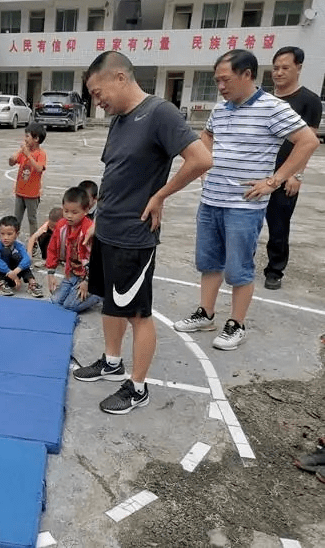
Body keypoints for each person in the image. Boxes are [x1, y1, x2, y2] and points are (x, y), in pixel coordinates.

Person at [73, 51, 212, 414]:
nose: (96, 101)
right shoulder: (120, 120)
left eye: (97, 91)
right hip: (108, 230)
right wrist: (98, 221)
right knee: (109, 302)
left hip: (135, 236)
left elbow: (201, 159)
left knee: (137, 313)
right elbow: (113, 175)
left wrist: (161, 195)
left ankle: (137, 387)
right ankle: (111, 360)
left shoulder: (160, 113)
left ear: (120, 77)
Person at [174, 49, 319, 350]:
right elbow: (207, 136)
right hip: (211, 199)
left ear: (247, 75)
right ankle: (206, 313)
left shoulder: (272, 107)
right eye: (217, 81)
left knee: (238, 267)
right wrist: (205, 167)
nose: (221, 86)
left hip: (244, 204)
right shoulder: (220, 109)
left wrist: (274, 181)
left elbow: (307, 141)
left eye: (226, 80)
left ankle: (236, 323)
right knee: (209, 261)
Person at [263, 46, 322, 290]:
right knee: (243, 220)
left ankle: (275, 270)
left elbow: (309, 143)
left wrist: (296, 174)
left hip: (286, 173)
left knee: (278, 224)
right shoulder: (265, 99)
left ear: (298, 68)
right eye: (275, 68)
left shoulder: (309, 101)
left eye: (285, 68)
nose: (279, 73)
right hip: (259, 170)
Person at [46, 187, 101, 313]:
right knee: (55, 301)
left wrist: (87, 281)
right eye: (66, 211)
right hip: (72, 274)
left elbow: (97, 258)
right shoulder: (61, 226)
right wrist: (50, 273)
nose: (69, 216)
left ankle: (99, 293)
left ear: (86, 210)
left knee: (70, 306)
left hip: (90, 276)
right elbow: (52, 248)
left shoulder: (89, 230)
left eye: (74, 212)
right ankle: (76, 288)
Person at [10, 122, 47, 239]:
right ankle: (13, 239)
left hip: (32, 194)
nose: (25, 139)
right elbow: (11, 162)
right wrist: (18, 152)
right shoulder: (24, 152)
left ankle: (34, 241)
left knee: (32, 219)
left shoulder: (41, 154)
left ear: (36, 139)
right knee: (17, 218)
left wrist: (28, 155)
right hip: (20, 192)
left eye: (27, 136)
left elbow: (39, 168)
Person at [0, 215, 43, 297]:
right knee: (3, 254)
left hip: (15, 272)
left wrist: (15, 272)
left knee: (18, 257)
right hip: (3, 273)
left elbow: (27, 259)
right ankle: (1, 284)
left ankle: (32, 283)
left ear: (17, 234)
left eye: (9, 234)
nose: (5, 237)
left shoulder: (19, 246)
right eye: (2, 234)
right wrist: (9, 272)